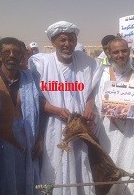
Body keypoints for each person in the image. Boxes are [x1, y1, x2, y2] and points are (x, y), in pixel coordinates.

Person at [29, 21, 102, 195]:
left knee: (80, 164)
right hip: (54, 127)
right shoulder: (41, 64)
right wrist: (55, 110)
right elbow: (35, 98)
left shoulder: (87, 63)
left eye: (71, 39)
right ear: (53, 42)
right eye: (62, 40)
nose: (67, 44)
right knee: (55, 165)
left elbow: (90, 91)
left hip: (80, 127)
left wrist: (89, 106)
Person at [0, 37, 42, 195]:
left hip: (26, 146)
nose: (12, 55)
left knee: (24, 186)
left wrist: (40, 139)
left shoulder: (30, 79)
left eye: (16, 52)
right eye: (7, 52)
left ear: (22, 56)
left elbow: (40, 111)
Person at [95, 38, 134, 195]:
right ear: (109, 53)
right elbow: (96, 105)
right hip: (108, 136)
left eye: (124, 51)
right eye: (115, 52)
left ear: (129, 52)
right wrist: (113, 111)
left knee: (133, 170)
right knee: (109, 174)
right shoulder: (101, 77)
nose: (120, 55)